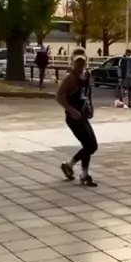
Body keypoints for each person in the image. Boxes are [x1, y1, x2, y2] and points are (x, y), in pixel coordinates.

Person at [57, 48, 97, 187]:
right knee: (90, 145)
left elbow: (88, 93)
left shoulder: (87, 75)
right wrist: (70, 109)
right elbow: (58, 96)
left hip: (83, 114)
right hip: (73, 117)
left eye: (82, 62)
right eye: (77, 62)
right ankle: (83, 174)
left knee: (91, 145)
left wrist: (91, 106)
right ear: (73, 62)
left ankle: (70, 166)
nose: (80, 65)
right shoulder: (70, 77)